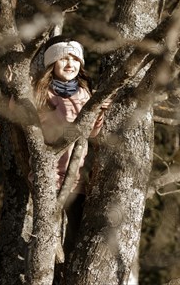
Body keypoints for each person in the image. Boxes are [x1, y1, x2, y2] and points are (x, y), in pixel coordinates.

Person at [31, 36, 108, 263]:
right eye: (63, 58)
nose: (70, 64)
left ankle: (67, 276)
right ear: (52, 63)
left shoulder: (85, 94)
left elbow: (92, 133)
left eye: (75, 59)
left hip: (75, 179)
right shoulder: (41, 93)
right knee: (46, 240)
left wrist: (99, 111)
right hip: (47, 176)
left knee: (76, 236)